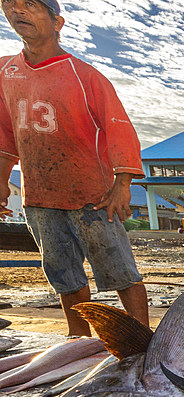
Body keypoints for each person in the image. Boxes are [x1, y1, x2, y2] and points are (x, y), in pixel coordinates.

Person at [0, 0, 149, 336]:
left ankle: (144, 342)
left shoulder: (85, 76)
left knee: (120, 270)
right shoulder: (5, 72)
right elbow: (5, 133)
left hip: (92, 195)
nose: (18, 11)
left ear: (58, 22)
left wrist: (121, 185)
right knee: (64, 274)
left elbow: (119, 128)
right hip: (39, 195)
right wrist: (1, 180)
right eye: (10, 5)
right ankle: (78, 341)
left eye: (30, 5)